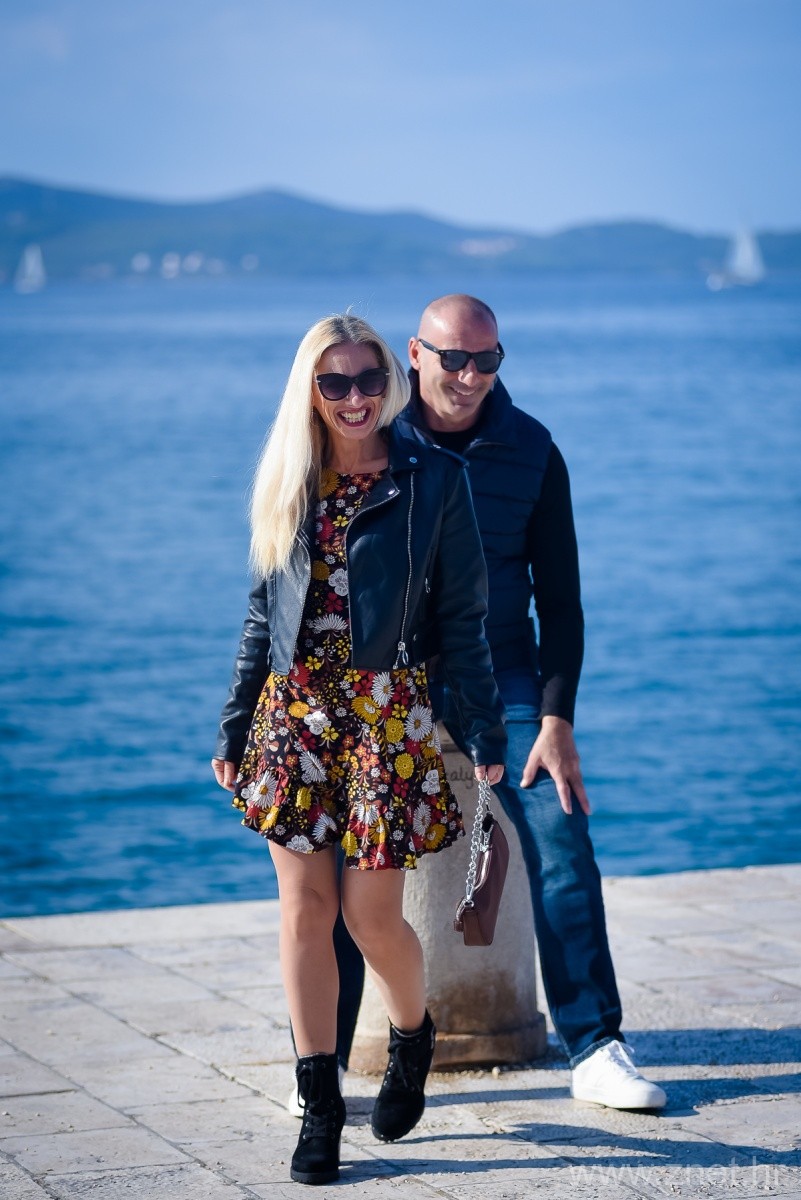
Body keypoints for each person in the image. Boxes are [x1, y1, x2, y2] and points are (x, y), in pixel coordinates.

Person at [320, 293, 667, 1113]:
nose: (469, 376)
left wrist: (555, 718)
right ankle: (322, 1064)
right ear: (414, 354)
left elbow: (562, 600)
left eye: (486, 360)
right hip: (390, 674)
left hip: (504, 671)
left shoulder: (532, 448)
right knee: (344, 855)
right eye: (453, 359)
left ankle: (594, 1046)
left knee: (560, 830)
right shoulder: (375, 439)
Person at [212, 313, 506, 1185]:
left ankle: (413, 1035)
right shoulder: (288, 477)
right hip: (293, 715)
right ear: (310, 389)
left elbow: (463, 617)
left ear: (391, 381)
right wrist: (235, 721)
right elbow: (262, 615)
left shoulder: (433, 479)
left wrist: (484, 727)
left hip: (385, 716)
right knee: (303, 912)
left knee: (369, 917)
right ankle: (321, 1107)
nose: (353, 397)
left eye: (368, 379)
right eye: (334, 381)